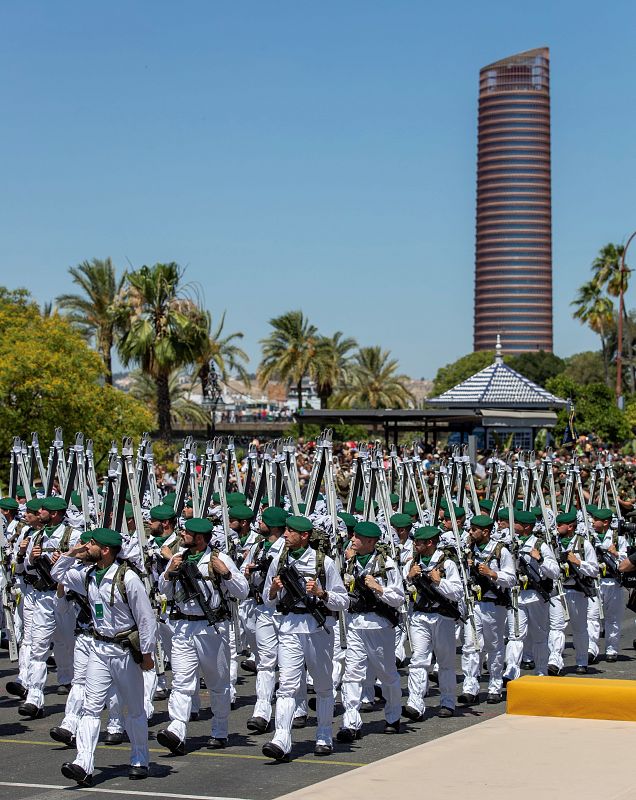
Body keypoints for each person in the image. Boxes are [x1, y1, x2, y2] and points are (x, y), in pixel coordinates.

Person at [52, 528, 157, 785]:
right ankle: (83, 763)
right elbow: (58, 574)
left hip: (124, 650)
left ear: (106, 550)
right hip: (99, 648)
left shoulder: (128, 578)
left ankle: (140, 759)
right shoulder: (89, 574)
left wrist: (147, 654)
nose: (86, 547)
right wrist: (71, 553)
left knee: (134, 709)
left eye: (91, 544)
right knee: (91, 706)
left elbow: (146, 620)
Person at [156, 517, 248, 753]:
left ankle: (219, 729)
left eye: (186, 534)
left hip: (212, 628)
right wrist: (168, 574)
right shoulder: (179, 558)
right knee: (182, 681)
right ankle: (177, 729)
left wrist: (226, 573)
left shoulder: (218, 559)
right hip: (183, 627)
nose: (181, 536)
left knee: (217, 682)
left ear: (198, 538)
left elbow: (243, 591)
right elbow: (163, 589)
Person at [262, 515, 348, 760]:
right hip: (289, 627)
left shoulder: (325, 563)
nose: (285, 535)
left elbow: (342, 600)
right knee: (287, 684)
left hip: (317, 628)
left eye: (290, 531)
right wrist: (274, 590)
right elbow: (267, 600)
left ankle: (323, 735)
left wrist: (322, 593)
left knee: (322, 685)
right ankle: (281, 739)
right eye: (285, 530)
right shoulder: (278, 561)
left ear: (305, 536)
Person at [337, 520, 404, 742]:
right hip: (356, 624)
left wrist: (379, 588)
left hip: (379, 625)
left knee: (386, 673)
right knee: (352, 674)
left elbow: (399, 598)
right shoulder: (350, 561)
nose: (352, 539)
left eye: (357, 537)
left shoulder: (387, 564)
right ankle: (351, 722)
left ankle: (393, 716)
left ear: (370, 542)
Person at [16, 496, 79, 717]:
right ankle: (34, 698)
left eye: (43, 509)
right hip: (42, 597)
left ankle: (78, 689)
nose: (38, 511)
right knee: (38, 647)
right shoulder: (36, 536)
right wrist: (32, 559)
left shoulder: (74, 536)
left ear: (54, 514)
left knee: (71, 647)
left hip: (66, 599)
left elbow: (82, 568)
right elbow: (26, 568)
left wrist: (63, 560)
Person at [403, 525, 463, 719]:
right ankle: (415, 703)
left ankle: (447, 701)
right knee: (418, 659)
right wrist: (409, 578)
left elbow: (457, 592)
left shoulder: (447, 564)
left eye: (419, 542)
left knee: (445, 662)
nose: (415, 544)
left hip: (442, 616)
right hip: (419, 616)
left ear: (430, 543)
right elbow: (402, 589)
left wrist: (439, 582)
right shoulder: (411, 562)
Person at [460, 514, 516, 704]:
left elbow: (511, 578)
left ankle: (494, 685)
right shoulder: (468, 550)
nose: (470, 532)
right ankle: (470, 687)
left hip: (493, 604)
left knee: (494, 646)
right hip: (474, 603)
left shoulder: (501, 551)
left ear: (485, 532)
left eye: (474, 529)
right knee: (471, 645)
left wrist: (492, 573)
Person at [503, 509, 559, 682]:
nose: (512, 526)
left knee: (539, 636)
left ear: (526, 527)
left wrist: (540, 559)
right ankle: (511, 672)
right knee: (515, 635)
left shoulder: (540, 545)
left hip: (535, 596)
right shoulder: (510, 542)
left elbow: (555, 571)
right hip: (517, 595)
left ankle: (541, 671)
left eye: (516, 523)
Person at [548, 510, 599, 675]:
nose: (556, 527)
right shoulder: (552, 543)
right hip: (559, 590)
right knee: (556, 627)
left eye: (559, 525)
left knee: (579, 628)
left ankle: (582, 661)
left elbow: (594, 570)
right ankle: (555, 660)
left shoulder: (584, 544)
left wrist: (578, 562)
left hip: (577, 591)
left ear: (569, 527)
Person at [588, 507, 626, 663]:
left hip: (613, 581)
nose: (592, 522)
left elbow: (627, 559)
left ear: (605, 522)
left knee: (613, 618)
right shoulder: (590, 538)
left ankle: (611, 648)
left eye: (595, 519)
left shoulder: (618, 538)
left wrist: (616, 553)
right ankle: (591, 648)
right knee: (592, 616)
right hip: (596, 581)